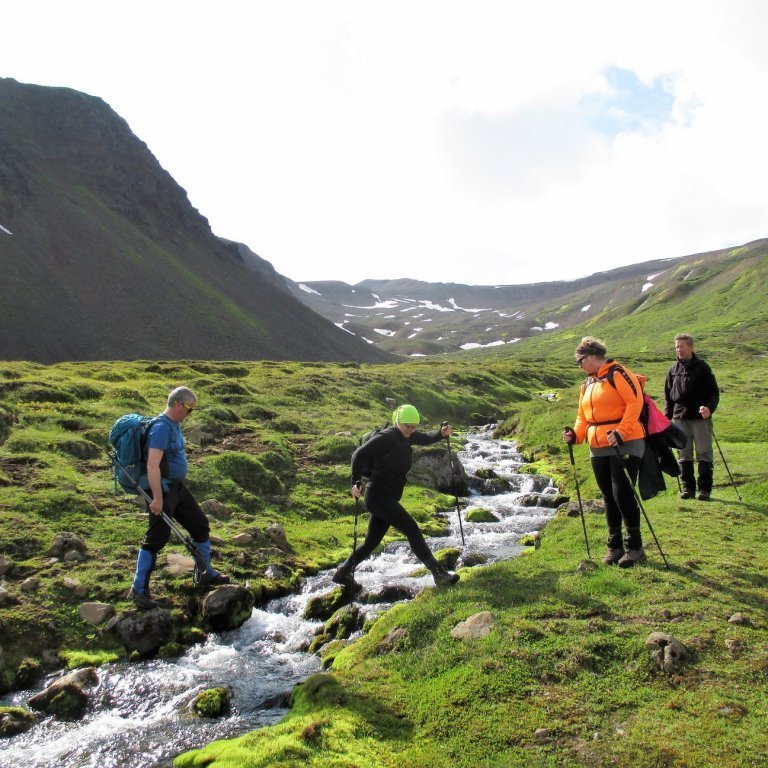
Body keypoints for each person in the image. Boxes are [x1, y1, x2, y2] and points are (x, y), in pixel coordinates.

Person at [332, 404, 460, 589]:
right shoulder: (387, 437)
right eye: (409, 426)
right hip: (378, 496)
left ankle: (343, 573)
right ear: (399, 422)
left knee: (370, 543)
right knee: (412, 529)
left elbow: (425, 438)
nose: (412, 430)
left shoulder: (407, 436)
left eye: (414, 426)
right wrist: (355, 482)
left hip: (388, 497)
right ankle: (438, 574)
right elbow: (358, 455)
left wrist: (441, 433)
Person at [129, 387, 229, 609]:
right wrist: (156, 498)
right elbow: (152, 464)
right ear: (178, 405)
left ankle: (205, 573)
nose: (190, 414)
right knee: (156, 538)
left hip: (177, 489)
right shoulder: (161, 428)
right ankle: (139, 590)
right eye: (189, 409)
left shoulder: (173, 426)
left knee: (200, 525)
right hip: (162, 491)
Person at [562, 337, 647, 567]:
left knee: (623, 493)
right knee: (609, 496)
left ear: (591, 356)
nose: (579, 366)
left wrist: (621, 431)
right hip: (598, 446)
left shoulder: (618, 373)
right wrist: (576, 436)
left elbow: (634, 402)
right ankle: (615, 546)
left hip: (626, 442)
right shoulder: (587, 384)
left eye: (580, 361)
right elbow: (583, 417)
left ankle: (635, 548)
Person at [664, 333, 720, 501]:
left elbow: (714, 393)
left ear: (690, 347)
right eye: (676, 347)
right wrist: (667, 418)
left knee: (704, 452)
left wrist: (709, 409)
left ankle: (705, 490)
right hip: (680, 417)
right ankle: (688, 489)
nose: (678, 350)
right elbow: (668, 396)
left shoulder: (703, 367)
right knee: (684, 452)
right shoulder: (673, 370)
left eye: (681, 346)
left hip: (700, 417)